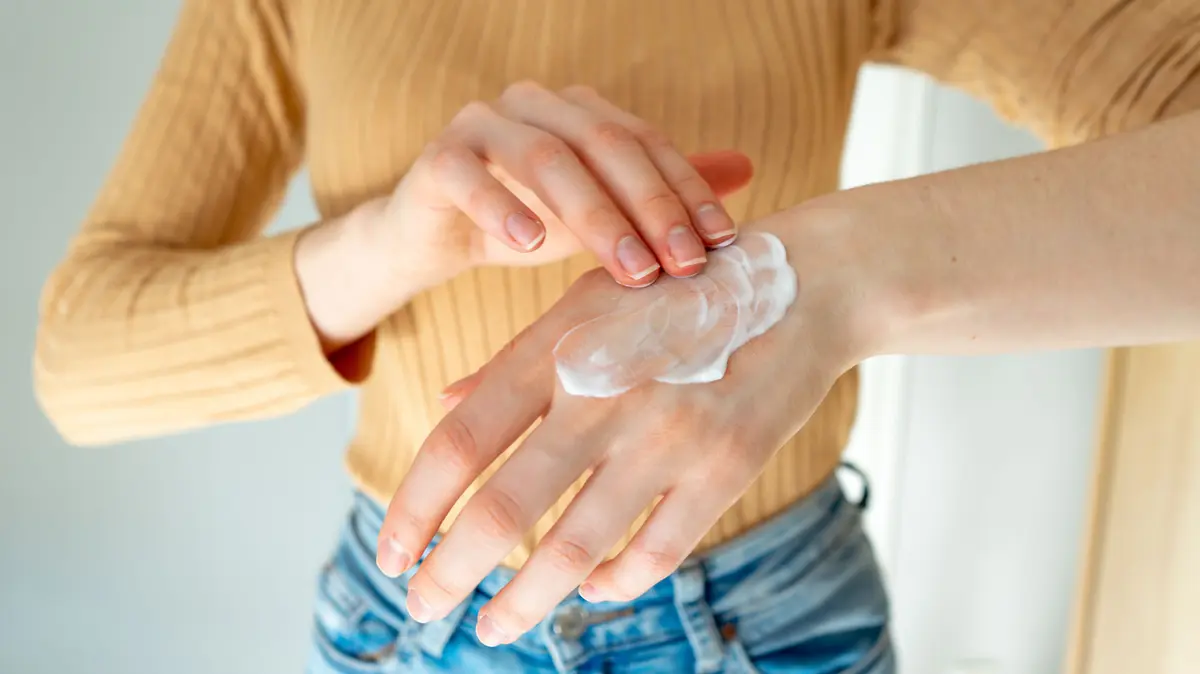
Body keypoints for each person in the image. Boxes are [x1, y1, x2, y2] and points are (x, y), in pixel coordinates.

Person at [32, 1, 1200, 672]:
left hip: (768, 617)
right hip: (413, 624)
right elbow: (79, 364)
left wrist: (825, 283)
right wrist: (397, 238)